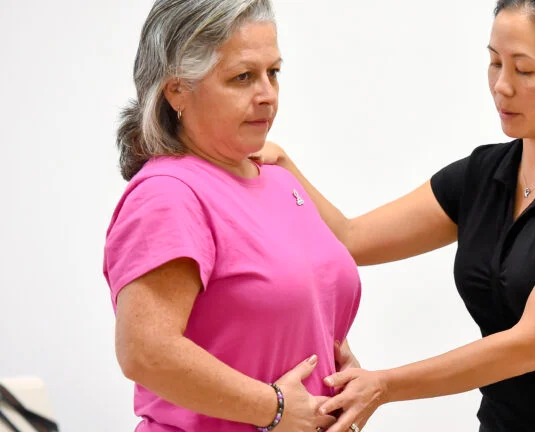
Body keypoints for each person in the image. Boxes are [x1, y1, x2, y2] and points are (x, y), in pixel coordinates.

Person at [254, 0, 535, 431]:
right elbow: (352, 239)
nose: (501, 86)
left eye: (524, 70)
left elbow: (528, 346)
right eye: (494, 63)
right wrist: (284, 165)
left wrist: (384, 384)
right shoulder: (484, 174)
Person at [102, 1, 362, 431]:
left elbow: (294, 309)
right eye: (243, 77)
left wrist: (341, 380)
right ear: (177, 90)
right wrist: (274, 407)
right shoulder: (168, 195)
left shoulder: (280, 182)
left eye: (273, 72)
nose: (267, 94)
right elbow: (145, 352)